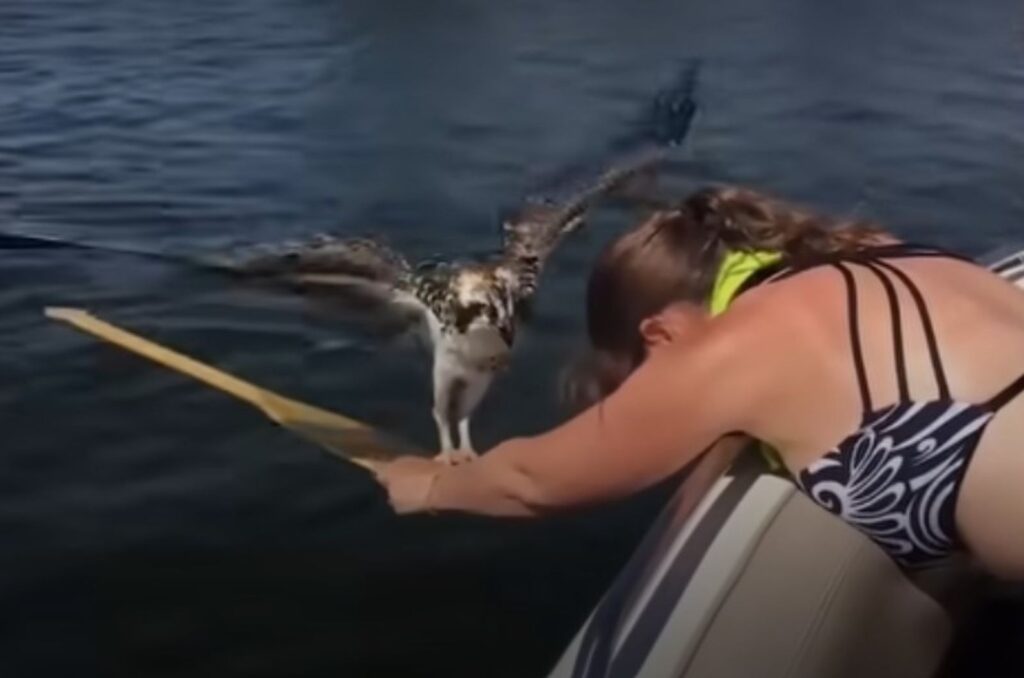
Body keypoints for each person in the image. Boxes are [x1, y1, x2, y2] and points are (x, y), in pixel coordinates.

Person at [371, 185, 1024, 579]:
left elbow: (535, 481)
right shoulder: (884, 251)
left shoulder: (735, 341)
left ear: (661, 336)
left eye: (644, 375)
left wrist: (429, 485)